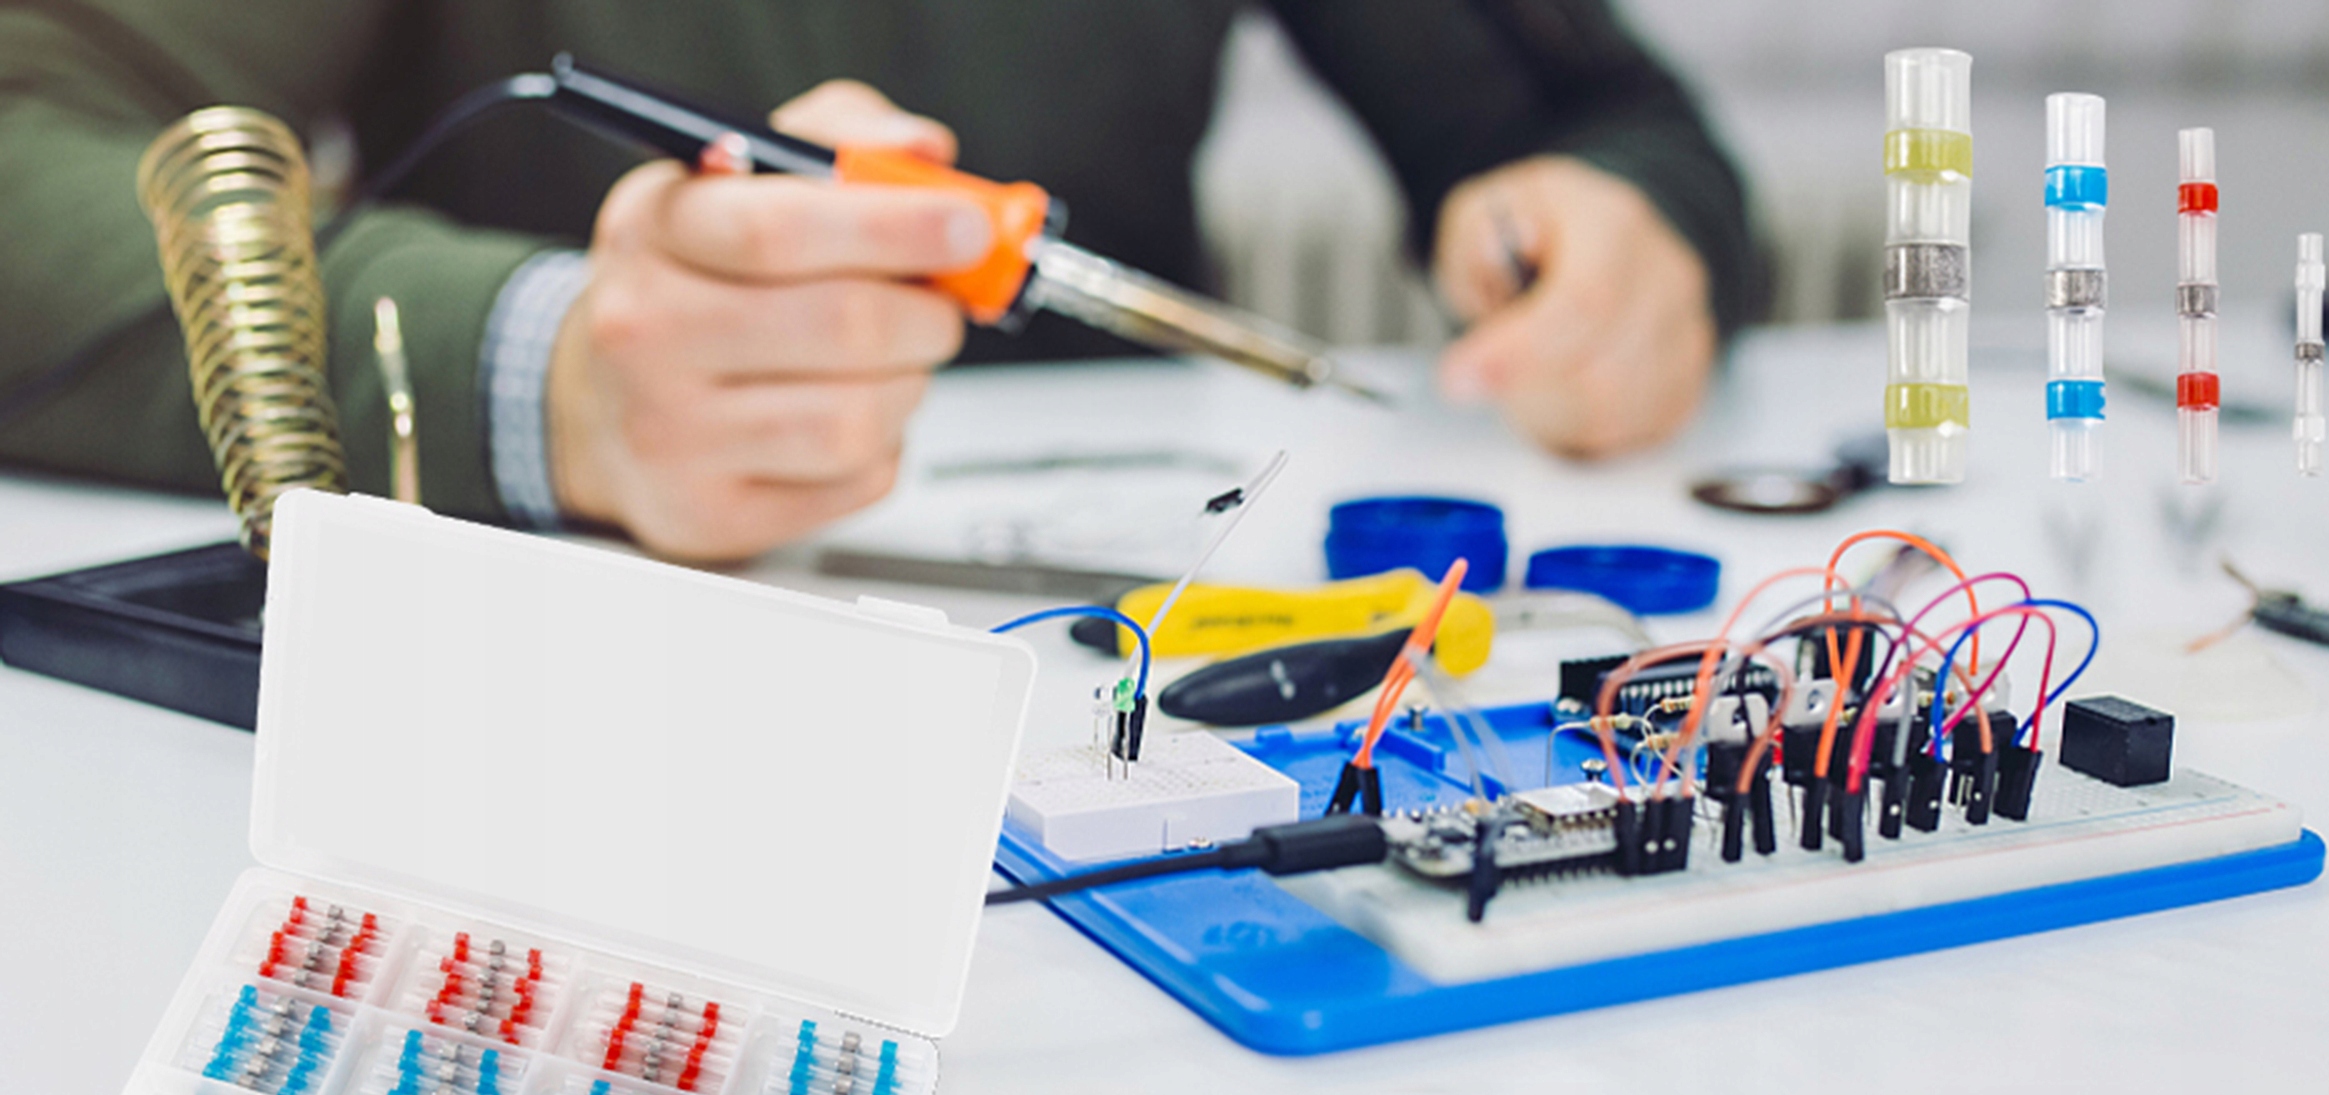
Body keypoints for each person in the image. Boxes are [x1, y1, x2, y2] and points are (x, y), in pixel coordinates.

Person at [0, 0, 1753, 562]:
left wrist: (1621, 228)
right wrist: (545, 370)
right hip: (592, 662)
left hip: (1164, 634)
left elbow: (1606, 118)